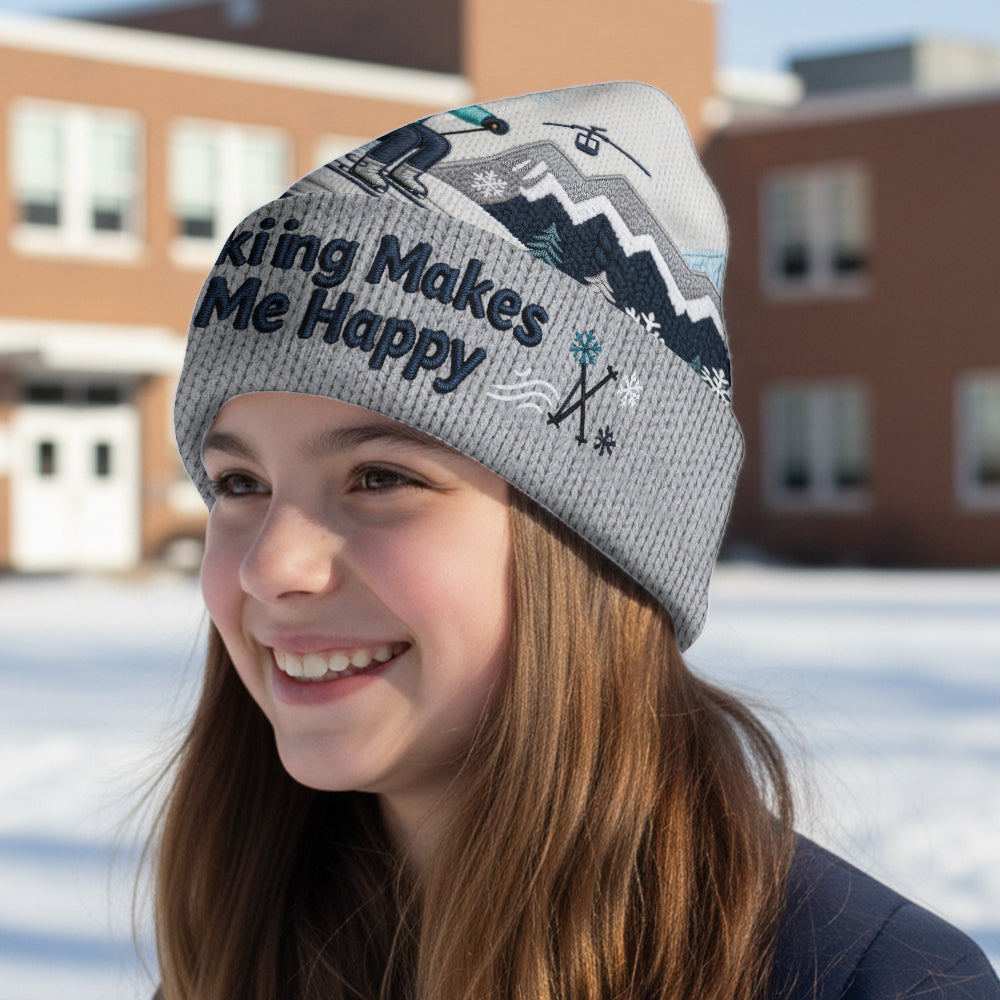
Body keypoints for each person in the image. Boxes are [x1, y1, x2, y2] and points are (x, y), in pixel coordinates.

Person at [158, 82, 999, 1000]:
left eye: (381, 478)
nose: (271, 565)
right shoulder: (244, 948)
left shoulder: (874, 984)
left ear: (595, 545)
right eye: (239, 484)